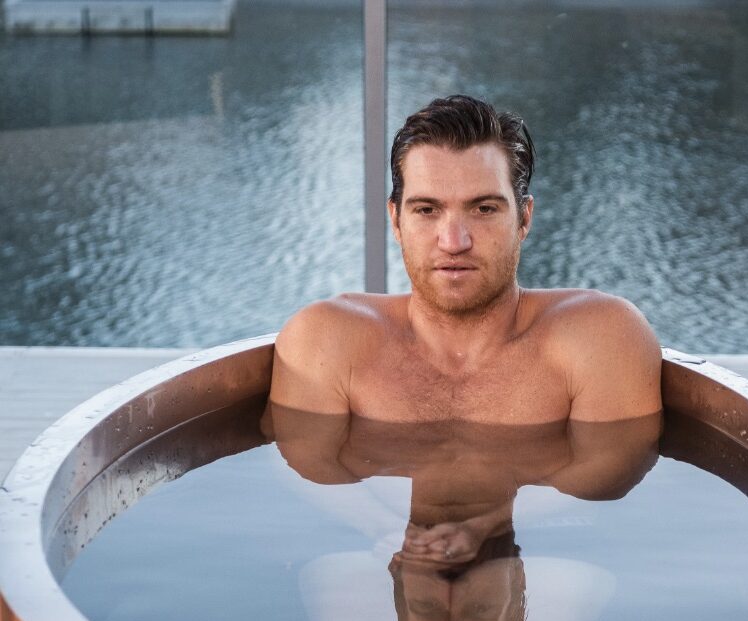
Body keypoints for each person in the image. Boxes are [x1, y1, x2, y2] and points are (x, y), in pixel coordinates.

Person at [268, 93, 663, 425]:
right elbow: (311, 482)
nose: (454, 242)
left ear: (524, 217)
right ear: (396, 219)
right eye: (427, 210)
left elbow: (609, 480)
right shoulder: (324, 345)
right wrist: (390, 523)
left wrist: (476, 520)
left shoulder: (602, 340)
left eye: (484, 209)